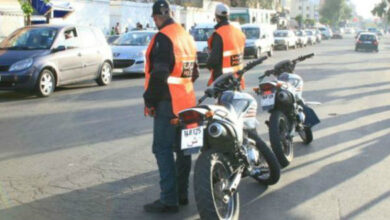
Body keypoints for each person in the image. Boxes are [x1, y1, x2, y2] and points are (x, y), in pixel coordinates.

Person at [143, 0, 199, 214]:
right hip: (187, 101)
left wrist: (149, 99)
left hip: (168, 104)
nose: (155, 21)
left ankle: (169, 199)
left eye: (155, 18)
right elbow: (194, 73)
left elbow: (159, 74)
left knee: (162, 149)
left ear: (157, 17)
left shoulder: (163, 37)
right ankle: (181, 194)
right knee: (183, 150)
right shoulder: (185, 36)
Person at [206, 3, 246, 88]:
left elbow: (214, 59)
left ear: (216, 17)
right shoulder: (239, 33)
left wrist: (208, 64)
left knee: (223, 101)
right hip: (237, 77)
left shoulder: (219, 34)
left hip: (223, 79)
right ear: (228, 16)